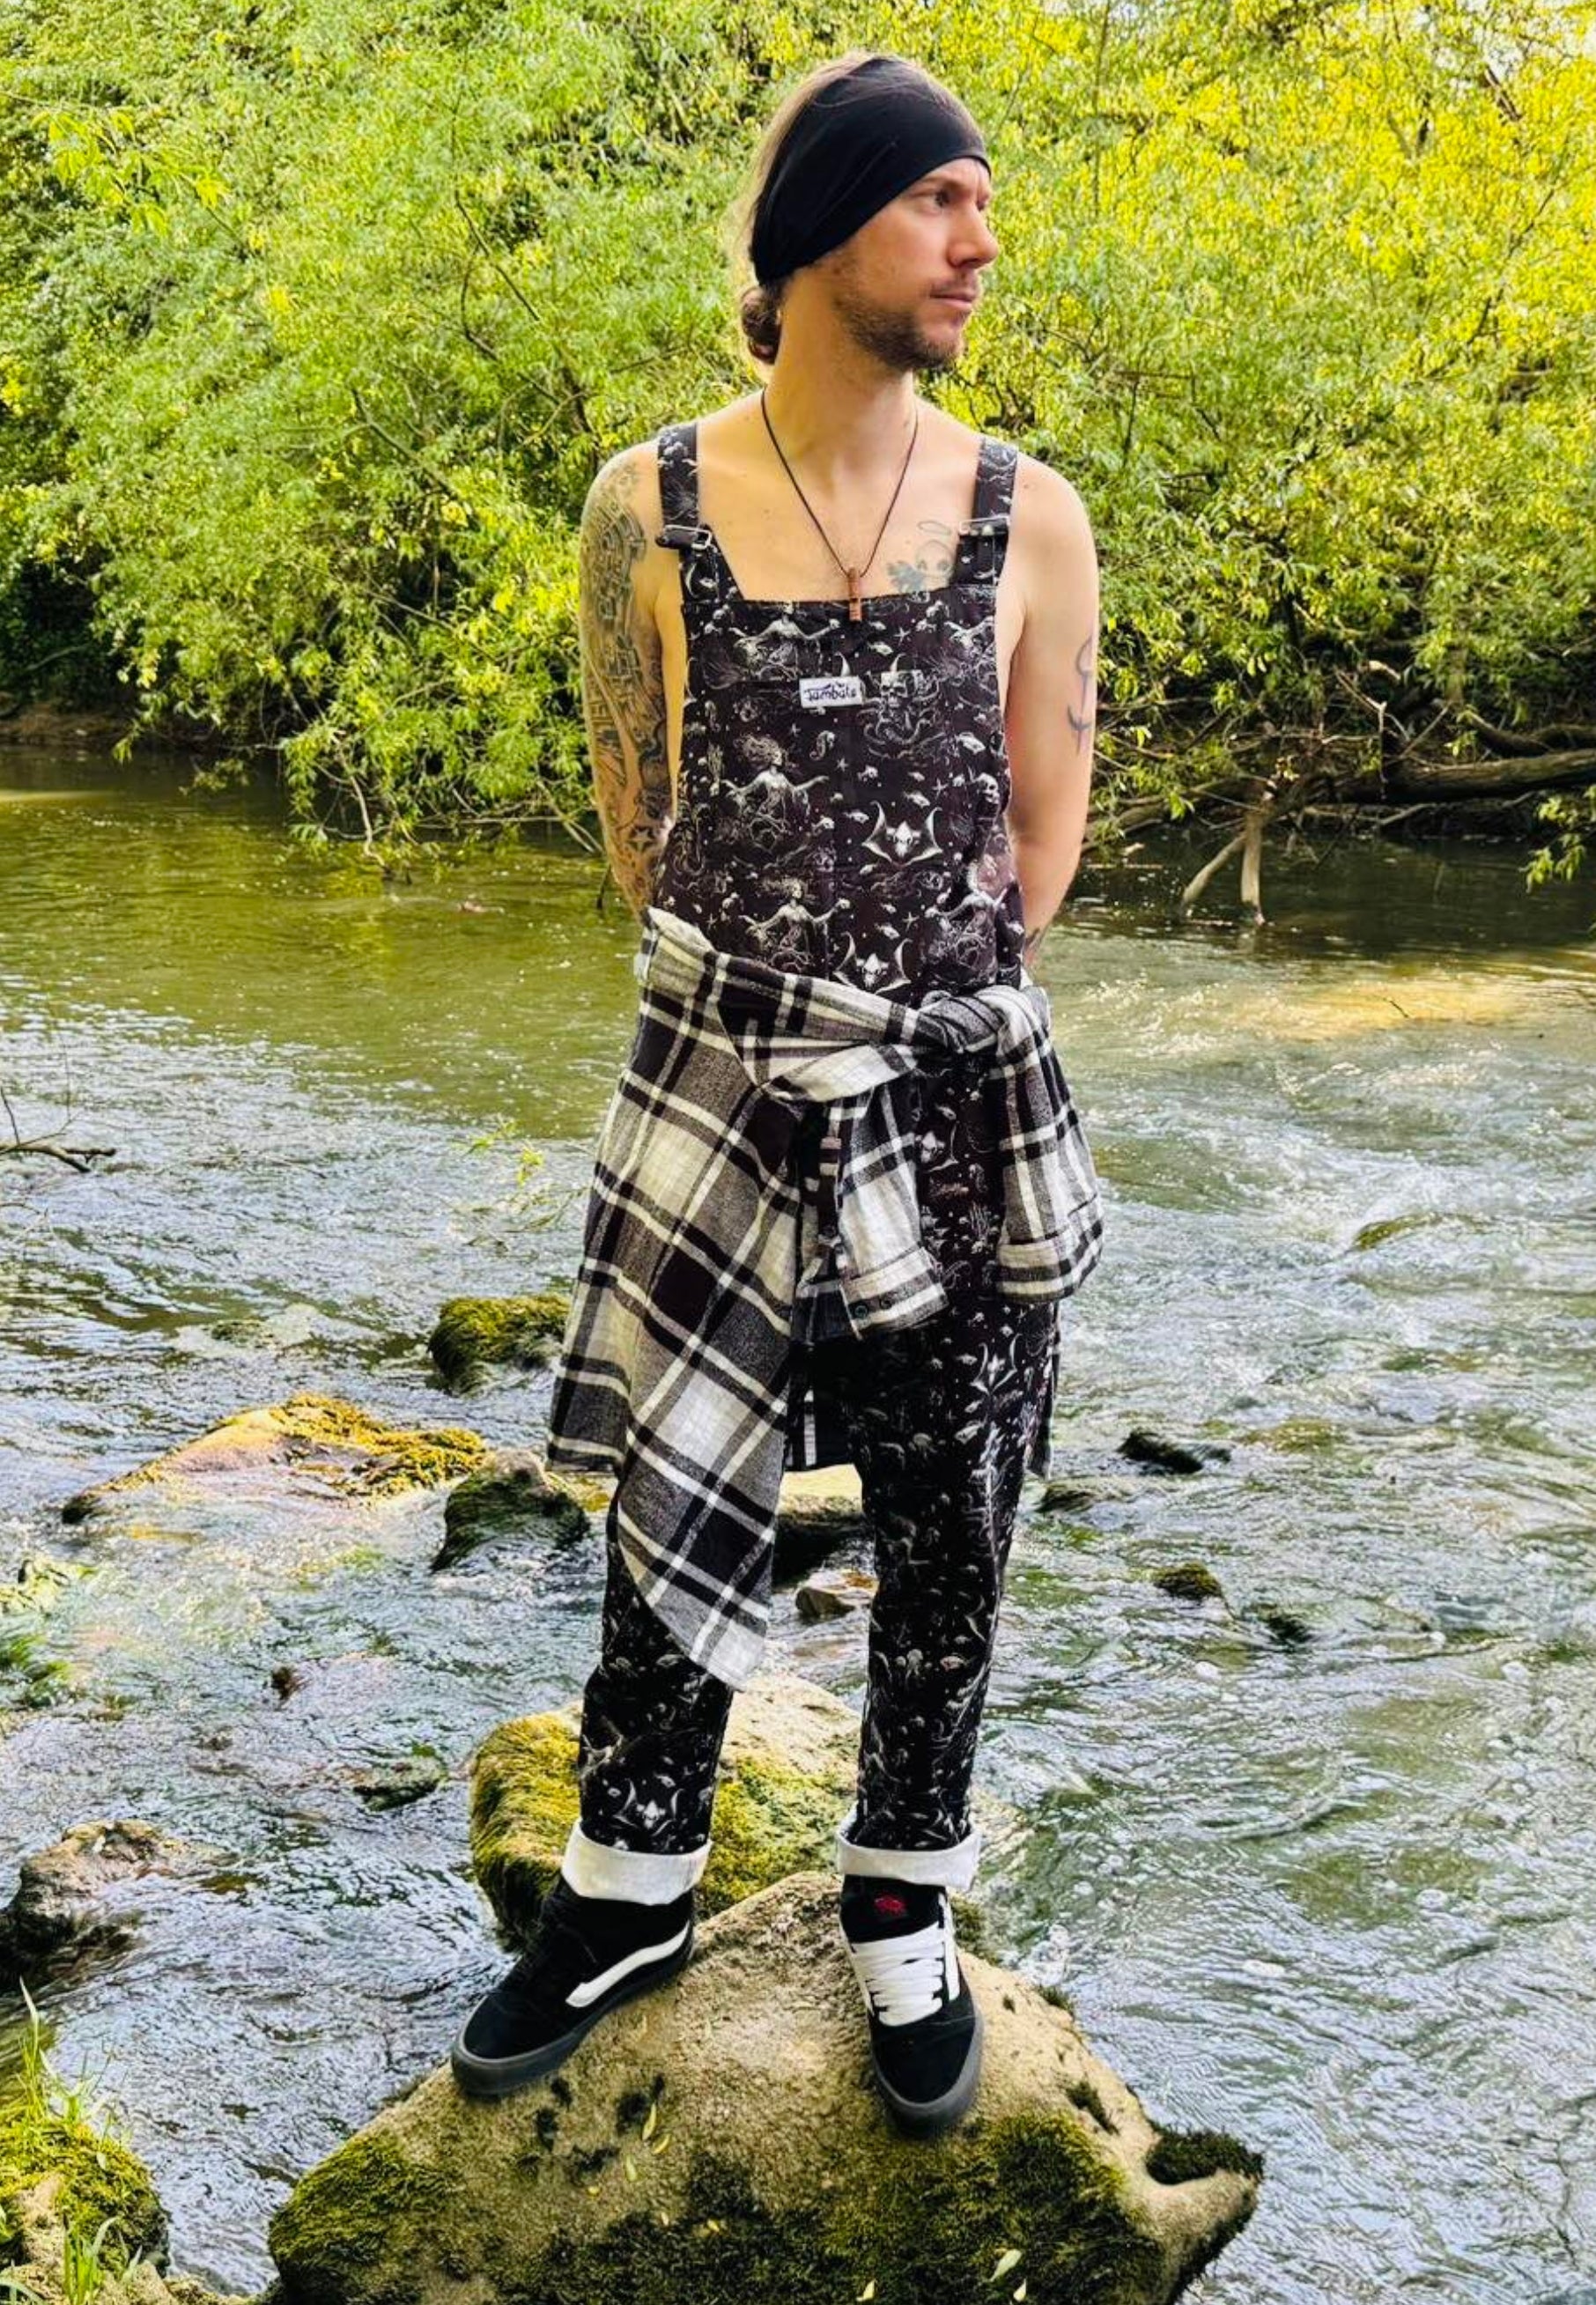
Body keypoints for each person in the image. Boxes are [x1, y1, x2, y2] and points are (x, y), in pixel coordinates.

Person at [451, 47, 1103, 2138]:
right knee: (679, 1478)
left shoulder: (1035, 515)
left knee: (956, 1514)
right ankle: (631, 1884)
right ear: (825, 228)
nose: (981, 244)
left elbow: (1042, 842)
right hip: (728, 1078)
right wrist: (784, 1018)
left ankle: (903, 1900)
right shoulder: (640, 505)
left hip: (953, 1093)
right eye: (944, 204)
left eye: (982, 207)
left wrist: (900, 1014)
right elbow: (639, 837)